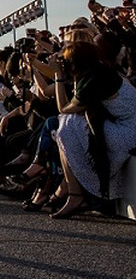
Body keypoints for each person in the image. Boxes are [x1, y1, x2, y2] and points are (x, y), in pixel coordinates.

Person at [50, 41, 136, 218]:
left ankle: (74, 193)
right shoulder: (101, 72)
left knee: (66, 122)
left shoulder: (94, 80)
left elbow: (63, 107)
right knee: (66, 123)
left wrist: (58, 75)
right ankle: (72, 190)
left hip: (127, 133)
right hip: (128, 128)